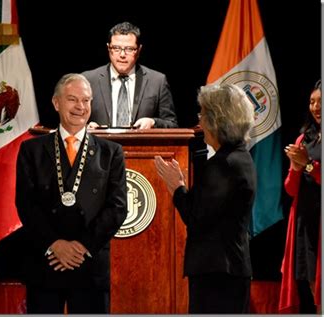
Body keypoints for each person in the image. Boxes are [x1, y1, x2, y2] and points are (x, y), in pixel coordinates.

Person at [16, 73, 128, 313]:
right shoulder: (31, 150)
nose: (80, 107)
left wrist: (81, 247)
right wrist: (54, 244)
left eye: (86, 100)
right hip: (46, 264)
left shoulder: (111, 152)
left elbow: (117, 208)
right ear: (56, 103)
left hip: (89, 265)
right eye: (72, 99)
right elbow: (26, 204)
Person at [154, 84, 256, 313]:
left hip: (217, 273)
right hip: (230, 269)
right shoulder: (241, 157)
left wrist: (177, 187)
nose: (199, 122)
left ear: (217, 119)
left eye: (203, 114)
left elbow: (196, 217)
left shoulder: (222, 165)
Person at [82, 21, 178, 129]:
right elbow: (71, 122)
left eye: (129, 49)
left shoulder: (157, 81)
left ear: (138, 50)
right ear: (108, 48)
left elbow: (172, 124)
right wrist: (85, 127)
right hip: (100, 145)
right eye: (116, 48)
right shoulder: (88, 80)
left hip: (141, 145)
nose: (122, 55)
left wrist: (153, 122)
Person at [279, 80, 321, 314]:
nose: (316, 107)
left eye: (320, 102)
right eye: (312, 102)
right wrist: (296, 168)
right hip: (306, 220)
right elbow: (291, 190)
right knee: (315, 287)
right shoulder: (303, 140)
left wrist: (308, 166)